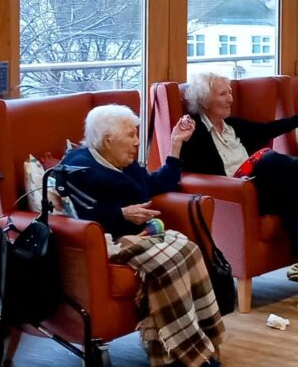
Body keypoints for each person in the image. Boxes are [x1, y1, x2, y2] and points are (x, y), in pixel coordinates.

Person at [61, 104, 223, 367]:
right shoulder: (79, 169)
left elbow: (157, 183)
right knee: (166, 263)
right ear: (107, 139)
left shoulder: (125, 164)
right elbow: (80, 215)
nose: (137, 141)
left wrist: (176, 145)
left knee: (189, 250)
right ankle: (182, 354)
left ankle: (203, 340)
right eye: (131, 135)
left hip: (143, 235)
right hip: (106, 243)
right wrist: (120, 214)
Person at [180, 72, 298, 264]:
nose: (230, 99)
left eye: (230, 92)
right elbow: (188, 169)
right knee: (271, 161)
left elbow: (268, 129)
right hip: (236, 193)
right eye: (222, 94)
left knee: (297, 165)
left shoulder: (231, 126)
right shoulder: (195, 132)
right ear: (204, 100)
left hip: (263, 185)